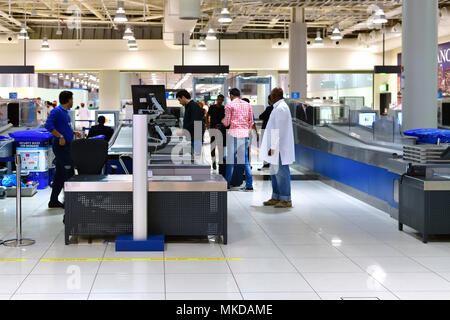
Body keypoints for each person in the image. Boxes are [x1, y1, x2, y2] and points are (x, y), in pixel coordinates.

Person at [44, 91, 81, 209]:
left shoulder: (65, 113)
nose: (73, 101)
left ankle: (53, 201)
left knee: (60, 175)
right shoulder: (57, 111)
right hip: (61, 147)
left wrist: (73, 132)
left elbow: (65, 127)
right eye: (72, 99)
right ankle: (69, 202)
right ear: (68, 100)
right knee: (69, 172)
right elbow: (48, 126)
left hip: (67, 146)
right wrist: (60, 136)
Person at [260, 88, 295, 208]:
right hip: (275, 147)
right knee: (274, 172)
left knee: (281, 172)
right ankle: (276, 197)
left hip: (279, 147)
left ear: (275, 96)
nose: (271, 97)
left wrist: (273, 147)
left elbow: (279, 130)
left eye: (272, 95)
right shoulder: (278, 107)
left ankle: (286, 199)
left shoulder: (281, 108)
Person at [222, 88, 254, 191]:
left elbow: (226, 123)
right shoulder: (247, 105)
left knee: (230, 161)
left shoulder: (229, 105)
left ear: (231, 95)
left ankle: (227, 184)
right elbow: (251, 122)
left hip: (234, 135)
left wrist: (223, 121)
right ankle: (249, 185)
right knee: (245, 161)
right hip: (244, 135)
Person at [176, 89, 204, 157]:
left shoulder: (193, 106)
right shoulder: (188, 106)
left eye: (179, 100)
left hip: (196, 138)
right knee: (192, 159)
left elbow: (195, 122)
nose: (179, 102)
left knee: (196, 160)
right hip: (192, 137)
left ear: (183, 97)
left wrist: (183, 131)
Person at [207, 94, 226, 170]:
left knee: (220, 147)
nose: (220, 101)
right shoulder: (212, 107)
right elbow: (207, 116)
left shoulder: (224, 108)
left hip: (221, 129)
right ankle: (213, 162)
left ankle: (220, 162)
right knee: (213, 146)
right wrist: (207, 125)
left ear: (223, 101)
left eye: (221, 100)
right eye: (219, 99)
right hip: (213, 129)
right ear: (217, 100)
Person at [258, 95, 274, 170]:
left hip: (266, 130)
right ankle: (271, 163)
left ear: (269, 100)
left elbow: (261, 116)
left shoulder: (269, 108)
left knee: (265, 147)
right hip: (273, 130)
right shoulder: (277, 108)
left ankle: (266, 164)